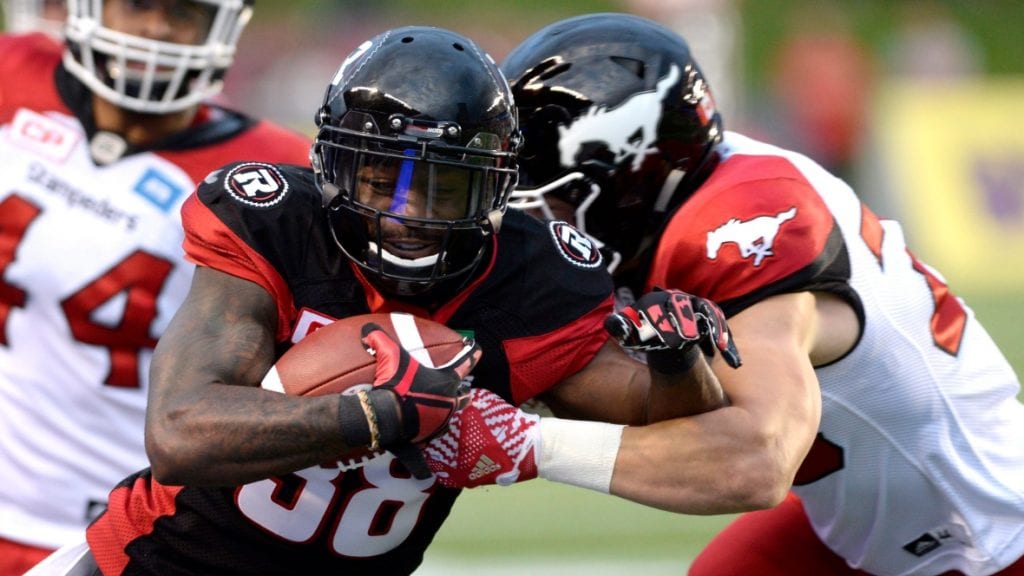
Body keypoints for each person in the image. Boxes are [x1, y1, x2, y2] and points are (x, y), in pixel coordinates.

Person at [27, 25, 737, 575]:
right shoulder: (278, 228)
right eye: (381, 180)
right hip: (148, 563)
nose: (408, 214)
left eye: (444, 186)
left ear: (496, 188)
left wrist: (676, 360)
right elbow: (180, 435)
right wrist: (378, 416)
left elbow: (673, 427)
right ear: (333, 166)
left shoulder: (531, 283)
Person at [416, 12, 1024, 576]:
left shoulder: (745, 223)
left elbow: (756, 461)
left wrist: (527, 443)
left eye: (547, 197)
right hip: (865, 519)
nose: (529, 220)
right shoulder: (674, 205)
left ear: (626, 179)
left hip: (989, 531)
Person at [0, 0, 311, 573]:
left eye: (183, 13)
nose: (156, 29)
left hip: (116, 532)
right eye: (138, 4)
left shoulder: (274, 176)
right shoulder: (12, 75)